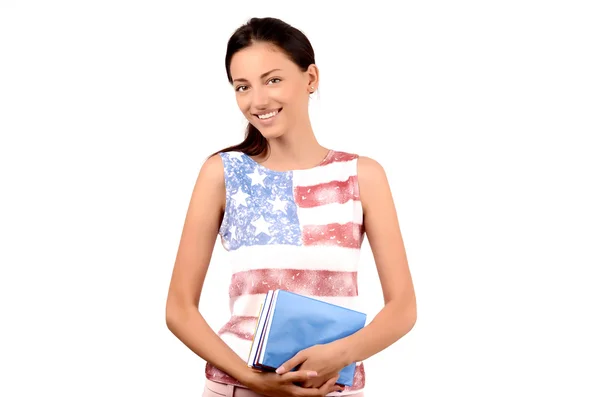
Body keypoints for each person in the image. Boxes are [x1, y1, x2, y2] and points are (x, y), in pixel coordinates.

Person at [165, 17, 417, 397]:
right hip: (239, 389)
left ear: (311, 78)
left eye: (273, 80)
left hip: (334, 389)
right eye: (242, 87)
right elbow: (179, 309)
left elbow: (403, 308)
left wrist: (337, 356)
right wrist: (252, 379)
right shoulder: (223, 173)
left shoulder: (362, 175)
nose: (258, 100)